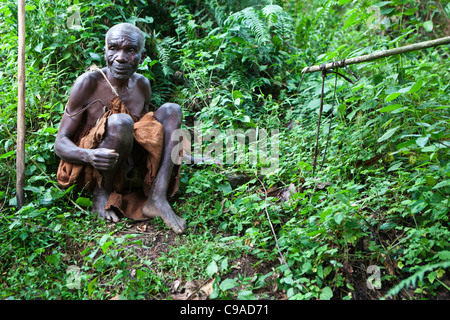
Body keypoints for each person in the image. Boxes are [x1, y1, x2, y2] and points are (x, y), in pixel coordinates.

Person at [54, 23, 186, 234]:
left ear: (142, 57)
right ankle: (101, 195)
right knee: (121, 121)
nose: (121, 57)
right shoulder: (88, 83)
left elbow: (146, 135)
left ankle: (157, 198)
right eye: (114, 48)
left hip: (128, 167)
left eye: (130, 50)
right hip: (94, 169)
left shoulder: (142, 85)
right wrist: (89, 154)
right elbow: (60, 143)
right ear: (105, 51)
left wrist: (181, 154)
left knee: (172, 110)